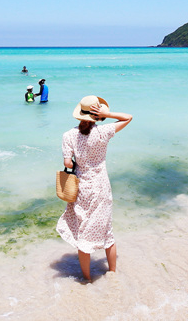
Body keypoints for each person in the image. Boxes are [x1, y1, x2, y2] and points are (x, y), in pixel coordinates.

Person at [56, 95, 132, 282]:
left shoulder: (68, 135)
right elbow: (128, 117)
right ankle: (112, 274)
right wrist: (108, 113)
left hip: (82, 189)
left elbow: (67, 162)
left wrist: (74, 160)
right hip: (101, 187)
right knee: (107, 231)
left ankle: (87, 279)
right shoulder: (103, 132)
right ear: (97, 115)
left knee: (83, 234)